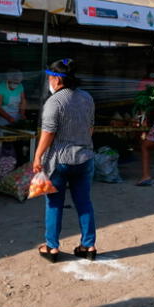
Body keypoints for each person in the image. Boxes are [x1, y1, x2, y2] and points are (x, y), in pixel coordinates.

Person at [33, 58, 96, 263]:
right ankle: (88, 245)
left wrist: (37, 156)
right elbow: (90, 128)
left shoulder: (54, 102)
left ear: (58, 81)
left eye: (50, 78)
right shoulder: (87, 98)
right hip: (84, 158)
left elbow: (48, 133)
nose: (49, 82)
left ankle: (51, 247)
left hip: (60, 161)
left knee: (54, 204)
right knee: (84, 203)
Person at [0, 69, 26, 136]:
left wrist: (22, 114)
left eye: (18, 82)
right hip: (4, 116)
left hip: (16, 114)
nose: (16, 84)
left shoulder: (20, 86)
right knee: (3, 135)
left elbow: (23, 100)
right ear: (8, 80)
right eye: (14, 82)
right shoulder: (0, 88)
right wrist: (9, 118)